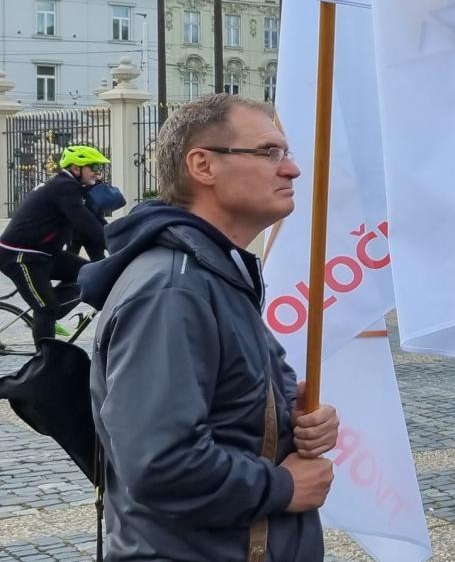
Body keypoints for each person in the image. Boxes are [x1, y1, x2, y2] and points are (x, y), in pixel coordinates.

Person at [79, 95, 337, 562]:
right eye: (269, 152)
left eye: (287, 153)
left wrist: (287, 417)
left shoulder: (214, 272)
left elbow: (219, 410)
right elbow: (162, 463)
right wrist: (283, 486)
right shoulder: (173, 289)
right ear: (203, 165)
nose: (292, 170)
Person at [1, 144, 111, 341]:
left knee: (89, 274)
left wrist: (122, 245)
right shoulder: (64, 187)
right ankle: (45, 363)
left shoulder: (75, 190)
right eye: (93, 167)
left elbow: (95, 224)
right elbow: (86, 225)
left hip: (44, 254)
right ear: (76, 168)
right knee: (47, 309)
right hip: (20, 257)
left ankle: (45, 299)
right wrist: (114, 248)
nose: (98, 173)